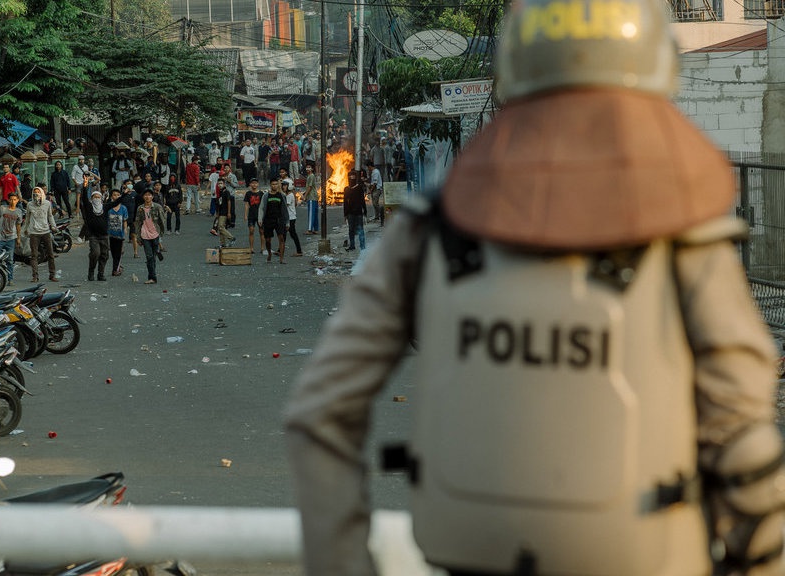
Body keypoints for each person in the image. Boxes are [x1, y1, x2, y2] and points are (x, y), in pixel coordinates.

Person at [284, 0, 785, 573]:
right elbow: (743, 438)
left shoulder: (429, 230)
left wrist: (344, 564)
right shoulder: (686, 241)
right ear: (656, 76)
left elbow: (319, 411)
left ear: (514, 77)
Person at [25, 187, 59, 282]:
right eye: (35, 193)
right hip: (34, 232)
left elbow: (50, 216)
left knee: (50, 254)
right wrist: (25, 229)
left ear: (42, 193)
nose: (36, 194)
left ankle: (52, 275)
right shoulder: (30, 205)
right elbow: (27, 218)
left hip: (45, 231)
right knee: (34, 255)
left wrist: (54, 226)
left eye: (38, 192)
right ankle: (35, 276)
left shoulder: (47, 204)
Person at [134, 188, 165, 285]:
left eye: (149, 195)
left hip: (155, 234)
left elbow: (162, 220)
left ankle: (157, 252)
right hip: (144, 235)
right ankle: (152, 277)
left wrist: (161, 234)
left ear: (152, 196)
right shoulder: (140, 208)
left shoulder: (157, 207)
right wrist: (138, 237)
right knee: (149, 256)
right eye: (145, 195)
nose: (147, 197)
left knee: (153, 257)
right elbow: (138, 223)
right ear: (143, 197)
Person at [0, 192, 22, 282]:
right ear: (8, 200)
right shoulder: (2, 209)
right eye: (11, 199)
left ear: (17, 200)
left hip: (11, 238)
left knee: (10, 260)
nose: (12, 201)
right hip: (0, 238)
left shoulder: (19, 212)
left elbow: (18, 226)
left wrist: (18, 238)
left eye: (15, 200)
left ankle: (10, 279)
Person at [81, 189, 110, 281]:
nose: (97, 199)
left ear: (101, 198)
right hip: (93, 236)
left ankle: (101, 274)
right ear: (92, 198)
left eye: (98, 197)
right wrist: (85, 186)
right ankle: (91, 272)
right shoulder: (89, 207)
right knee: (95, 253)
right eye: (95, 197)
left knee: (104, 255)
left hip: (104, 236)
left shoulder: (105, 207)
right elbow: (84, 198)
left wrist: (125, 194)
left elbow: (117, 202)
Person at [258, 179, 288, 264]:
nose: (274, 186)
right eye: (273, 184)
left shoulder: (281, 196)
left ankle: (281, 258)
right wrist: (260, 218)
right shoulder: (266, 195)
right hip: (268, 220)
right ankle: (269, 254)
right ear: (270, 185)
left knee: (281, 238)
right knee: (268, 240)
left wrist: (287, 221)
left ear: (278, 185)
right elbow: (261, 207)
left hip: (279, 220)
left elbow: (285, 209)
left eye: (276, 184)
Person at [106, 188, 129, 277]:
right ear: (111, 196)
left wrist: (125, 229)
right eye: (114, 195)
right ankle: (117, 267)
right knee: (113, 252)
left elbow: (125, 220)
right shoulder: (108, 208)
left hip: (120, 234)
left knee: (119, 252)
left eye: (118, 195)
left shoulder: (123, 208)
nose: (116, 196)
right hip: (110, 234)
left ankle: (115, 270)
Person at [342, 170, 366, 251]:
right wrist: (345, 214)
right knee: (351, 230)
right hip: (350, 213)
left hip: (358, 212)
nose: (351, 178)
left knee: (360, 229)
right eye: (350, 176)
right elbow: (345, 202)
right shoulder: (346, 189)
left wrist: (365, 211)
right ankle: (352, 245)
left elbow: (362, 200)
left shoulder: (359, 188)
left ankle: (362, 245)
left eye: (353, 176)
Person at [243, 178, 264, 254]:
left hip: (260, 215)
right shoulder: (248, 193)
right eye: (253, 183)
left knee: (262, 231)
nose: (254, 184)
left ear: (258, 184)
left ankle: (262, 248)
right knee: (251, 231)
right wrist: (245, 215)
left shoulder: (261, 193)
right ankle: (251, 248)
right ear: (250, 184)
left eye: (256, 183)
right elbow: (246, 205)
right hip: (251, 215)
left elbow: (263, 205)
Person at [213, 179, 235, 248]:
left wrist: (229, 212)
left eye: (221, 183)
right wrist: (217, 213)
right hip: (221, 212)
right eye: (218, 184)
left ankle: (231, 238)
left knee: (221, 227)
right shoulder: (220, 192)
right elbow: (219, 203)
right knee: (220, 228)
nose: (220, 185)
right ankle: (222, 244)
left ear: (224, 184)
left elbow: (229, 202)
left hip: (225, 212)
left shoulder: (226, 192)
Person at [284, 179, 303, 257]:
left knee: (292, 234)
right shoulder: (289, 195)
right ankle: (280, 249)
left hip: (290, 217)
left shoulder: (289, 196)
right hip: (290, 217)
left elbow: (285, 206)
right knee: (284, 233)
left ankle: (299, 251)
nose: (283, 187)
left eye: (285, 185)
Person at [366, 160, 384, 226]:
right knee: (374, 204)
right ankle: (377, 217)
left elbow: (375, 183)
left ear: (370, 166)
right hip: (375, 189)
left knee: (375, 204)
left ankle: (381, 215)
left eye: (368, 167)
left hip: (377, 189)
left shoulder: (375, 172)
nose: (368, 169)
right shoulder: (374, 172)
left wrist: (371, 190)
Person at [303, 164, 319, 235]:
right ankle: (315, 229)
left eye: (309, 167)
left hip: (312, 197)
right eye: (307, 167)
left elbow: (309, 187)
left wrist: (305, 196)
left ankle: (310, 229)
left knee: (311, 214)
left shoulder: (311, 176)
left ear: (312, 169)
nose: (307, 169)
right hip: (314, 197)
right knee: (315, 214)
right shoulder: (310, 176)